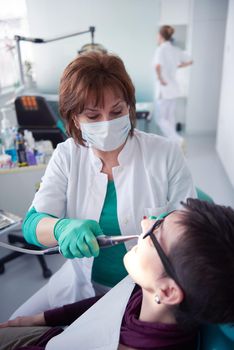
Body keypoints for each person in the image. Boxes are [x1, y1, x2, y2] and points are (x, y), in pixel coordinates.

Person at [11, 51, 195, 319]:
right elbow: (31, 225)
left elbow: (189, 229)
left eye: (117, 111)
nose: (107, 124)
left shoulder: (164, 153)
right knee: (14, 326)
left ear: (129, 107)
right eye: (93, 116)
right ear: (74, 118)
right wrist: (61, 228)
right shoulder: (67, 155)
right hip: (78, 287)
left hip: (144, 294)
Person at [1, 198, 234, 350]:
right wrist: (37, 319)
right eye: (158, 220)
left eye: (155, 232)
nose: (145, 224)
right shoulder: (154, 293)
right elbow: (110, 304)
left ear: (168, 290)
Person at [153, 25, 193, 145]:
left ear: (160, 36)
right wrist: (177, 66)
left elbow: (157, 66)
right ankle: (174, 144)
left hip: (164, 89)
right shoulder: (175, 50)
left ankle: (177, 140)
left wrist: (161, 79)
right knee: (170, 118)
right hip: (174, 88)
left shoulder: (161, 49)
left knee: (160, 119)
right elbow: (190, 61)